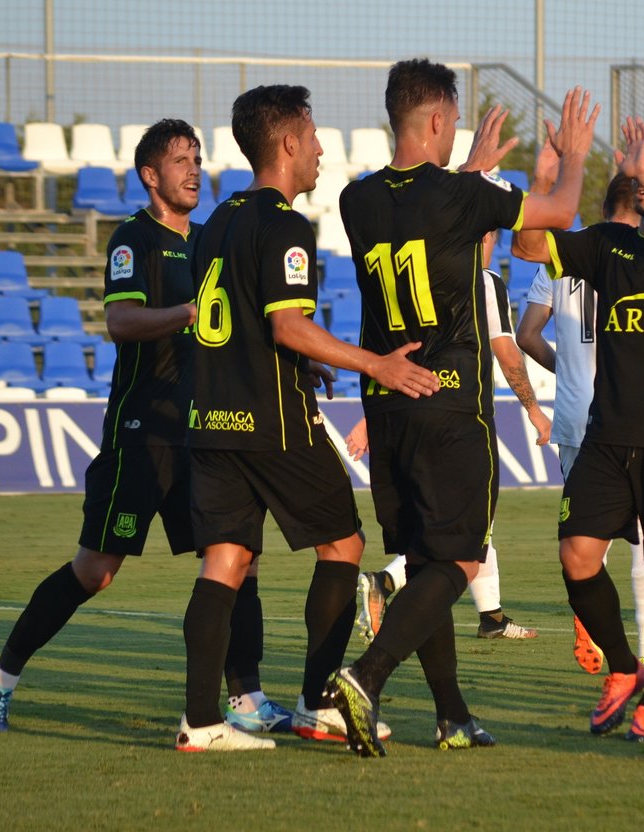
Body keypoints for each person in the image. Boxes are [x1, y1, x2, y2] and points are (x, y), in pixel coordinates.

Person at [0, 120, 288, 735]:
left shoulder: (207, 243)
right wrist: (186, 312)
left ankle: (245, 697)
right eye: (179, 161)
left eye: (197, 158)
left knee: (239, 557)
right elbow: (120, 322)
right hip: (142, 434)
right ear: (151, 175)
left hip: (202, 432)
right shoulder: (132, 239)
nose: (194, 170)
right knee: (97, 571)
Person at [324, 57, 598, 757]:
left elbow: (433, 225)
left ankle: (451, 715)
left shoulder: (355, 201)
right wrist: (571, 157)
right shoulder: (461, 197)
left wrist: (468, 177)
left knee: (422, 557)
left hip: (387, 401)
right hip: (450, 400)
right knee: (463, 561)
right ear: (441, 120)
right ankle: (365, 674)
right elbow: (559, 213)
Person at [177, 85, 440, 753]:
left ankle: (200, 723)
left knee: (226, 560)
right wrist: (374, 365)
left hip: (211, 419)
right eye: (314, 135)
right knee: (343, 545)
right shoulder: (285, 224)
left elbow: (232, 324)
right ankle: (317, 701)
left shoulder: (215, 223)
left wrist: (302, 361)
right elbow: (288, 325)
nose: (322, 147)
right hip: (273, 424)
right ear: (288, 142)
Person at [511, 122, 644, 743]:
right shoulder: (612, 244)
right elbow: (530, 245)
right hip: (606, 439)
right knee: (576, 556)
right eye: (637, 165)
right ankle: (625, 668)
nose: (639, 173)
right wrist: (554, 175)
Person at [354, 228, 549, 643]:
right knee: (466, 528)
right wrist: (533, 408)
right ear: (487, 238)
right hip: (460, 416)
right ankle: (385, 583)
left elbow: (393, 352)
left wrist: (370, 418)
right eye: (491, 236)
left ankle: (491, 618)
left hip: (407, 413)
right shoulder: (484, 282)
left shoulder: (416, 279)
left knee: (460, 524)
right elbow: (505, 349)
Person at [516, 169, 644, 674]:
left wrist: (567, 369)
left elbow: (527, 334)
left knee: (581, 540)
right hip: (631, 416)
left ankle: (591, 631)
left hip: (575, 418)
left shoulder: (563, 256)